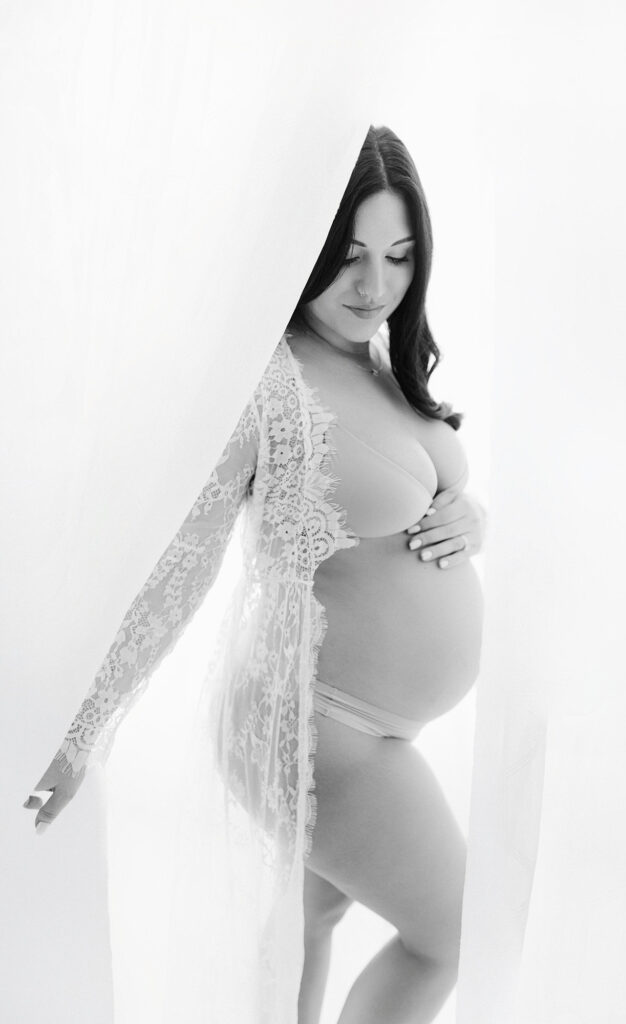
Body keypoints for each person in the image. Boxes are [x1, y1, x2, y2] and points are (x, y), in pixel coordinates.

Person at [23, 125, 486, 1024]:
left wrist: (475, 517)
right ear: (301, 247)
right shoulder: (264, 385)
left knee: (304, 948)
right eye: (349, 257)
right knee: (450, 936)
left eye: (397, 256)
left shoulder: (378, 358)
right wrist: (83, 735)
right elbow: (181, 571)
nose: (375, 285)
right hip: (319, 730)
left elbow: (416, 495)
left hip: (371, 729)